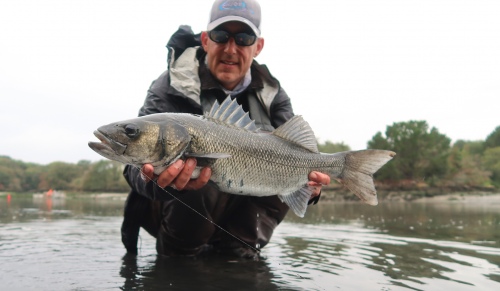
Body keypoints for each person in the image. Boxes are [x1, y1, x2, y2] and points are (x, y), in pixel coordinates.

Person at [122, 0, 330, 257]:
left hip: (243, 209)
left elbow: (301, 151)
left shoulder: (274, 95)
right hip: (174, 216)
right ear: (206, 40)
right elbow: (132, 169)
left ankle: (237, 255)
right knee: (196, 167)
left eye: (243, 38)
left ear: (258, 47)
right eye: (221, 36)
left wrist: (311, 188)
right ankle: (178, 261)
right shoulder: (168, 86)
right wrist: (152, 179)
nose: (231, 49)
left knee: (281, 166)